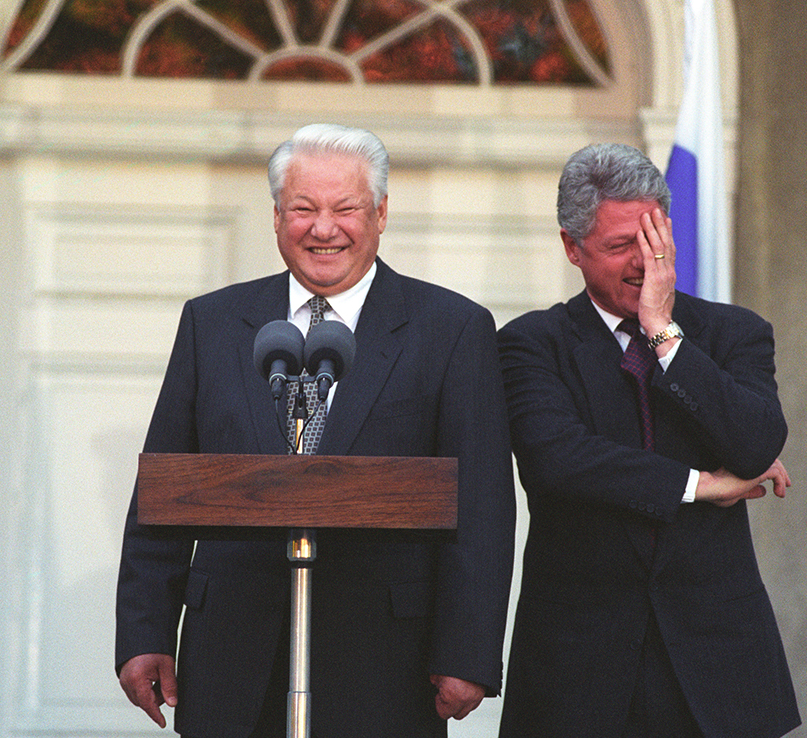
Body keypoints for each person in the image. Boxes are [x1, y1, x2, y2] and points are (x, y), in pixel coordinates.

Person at [115, 123, 515, 738]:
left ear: (380, 214)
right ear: (276, 218)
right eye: (303, 209)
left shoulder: (452, 329)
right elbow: (165, 490)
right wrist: (145, 631)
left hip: (385, 661)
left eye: (346, 208)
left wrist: (467, 654)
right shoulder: (213, 323)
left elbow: (483, 505)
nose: (323, 228)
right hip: (232, 653)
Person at [497, 142, 800, 738]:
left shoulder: (733, 333)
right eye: (618, 247)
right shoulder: (531, 343)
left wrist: (664, 333)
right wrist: (698, 485)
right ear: (572, 248)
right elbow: (558, 459)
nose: (642, 262)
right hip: (579, 671)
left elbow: (758, 441)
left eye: (652, 241)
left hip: (718, 672)